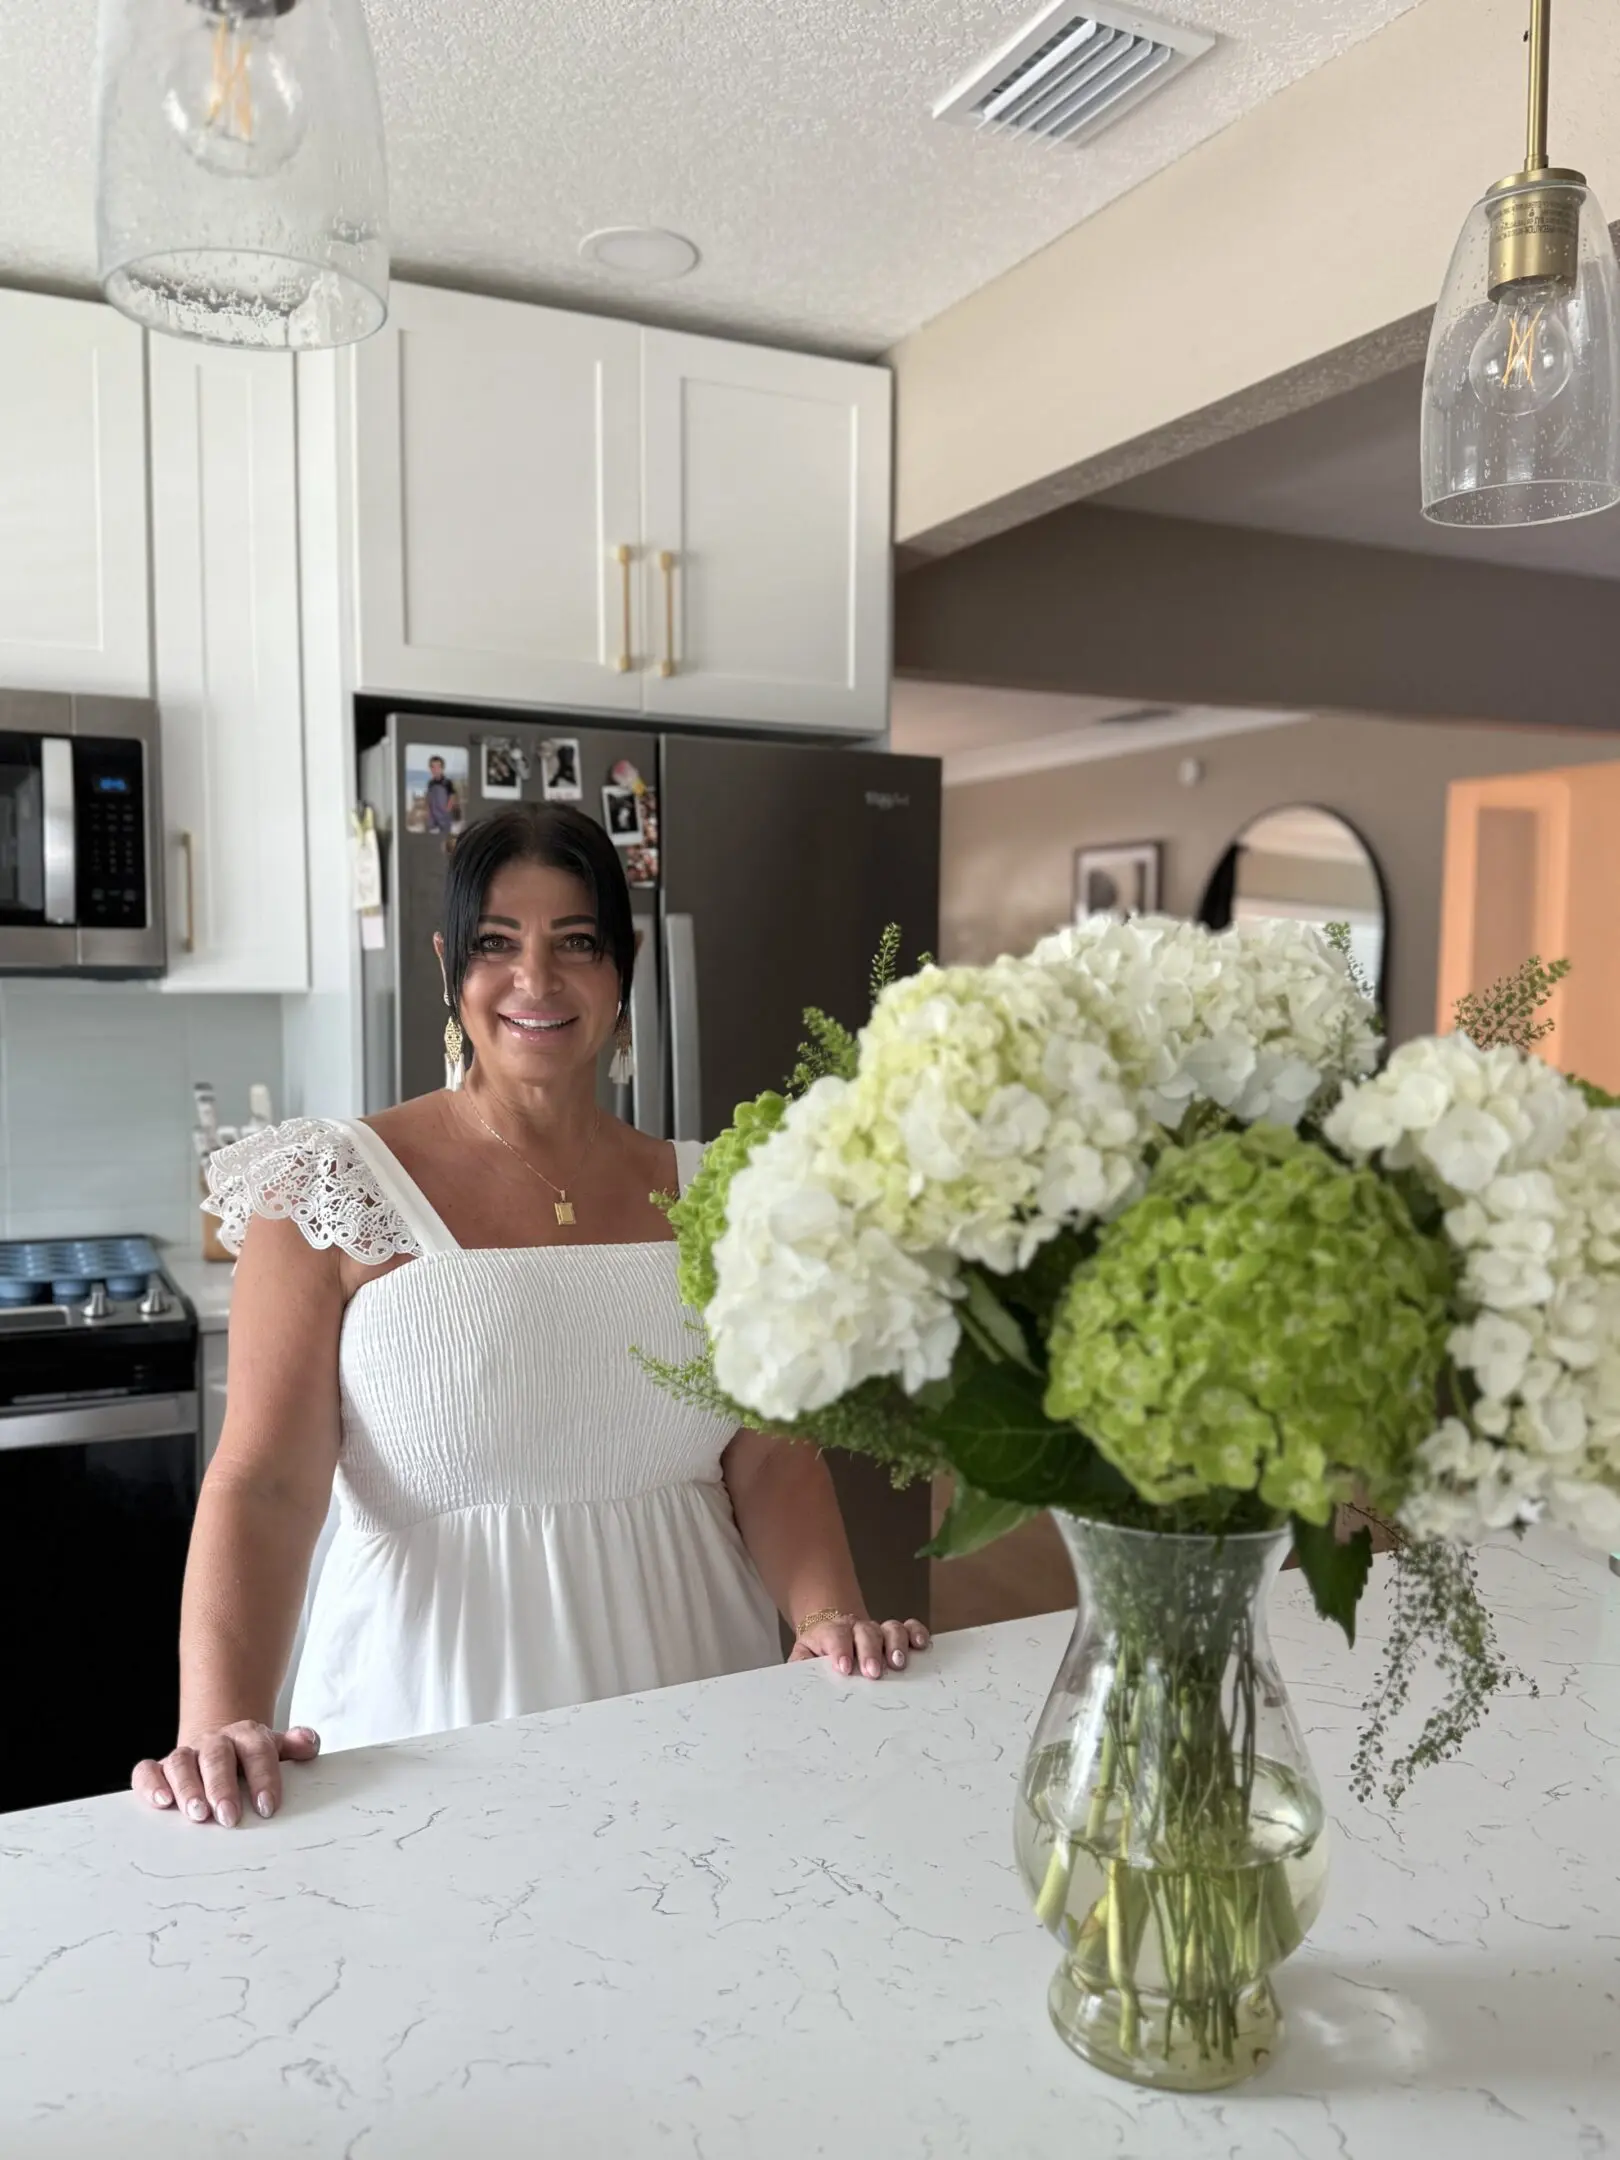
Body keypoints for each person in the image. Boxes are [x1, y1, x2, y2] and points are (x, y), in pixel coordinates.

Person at [134, 805, 929, 1828]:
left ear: (623, 963)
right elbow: (267, 1484)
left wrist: (827, 1615)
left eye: (577, 943)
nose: (536, 981)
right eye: (496, 944)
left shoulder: (719, 1190)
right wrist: (219, 1721)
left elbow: (771, 1457)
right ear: (446, 964)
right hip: (429, 1729)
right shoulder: (327, 1189)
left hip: (700, 1699)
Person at [424, 754, 460, 834]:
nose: (435, 769)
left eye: (438, 766)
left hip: (444, 818)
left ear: (442, 768)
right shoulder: (430, 783)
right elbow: (428, 798)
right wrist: (428, 812)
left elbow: (452, 796)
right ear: (430, 769)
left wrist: (447, 809)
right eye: (433, 767)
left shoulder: (447, 782)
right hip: (433, 818)